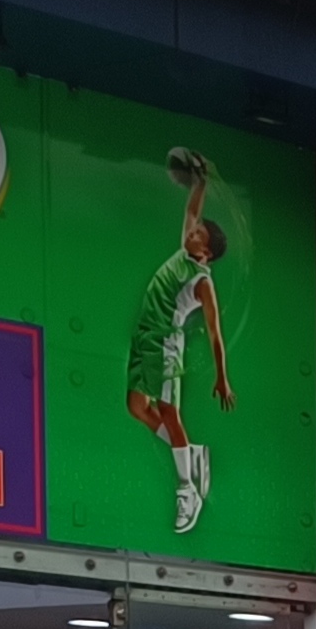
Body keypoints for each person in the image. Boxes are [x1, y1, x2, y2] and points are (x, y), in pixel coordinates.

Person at [126, 148, 236, 536]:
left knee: (170, 414)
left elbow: (215, 334)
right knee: (136, 407)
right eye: (194, 229)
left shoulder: (202, 282)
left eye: (199, 234)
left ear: (206, 251)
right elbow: (192, 209)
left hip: (167, 345)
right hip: (145, 339)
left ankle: (187, 488)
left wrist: (222, 377)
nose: (192, 231)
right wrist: (201, 180)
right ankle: (191, 455)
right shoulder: (184, 246)